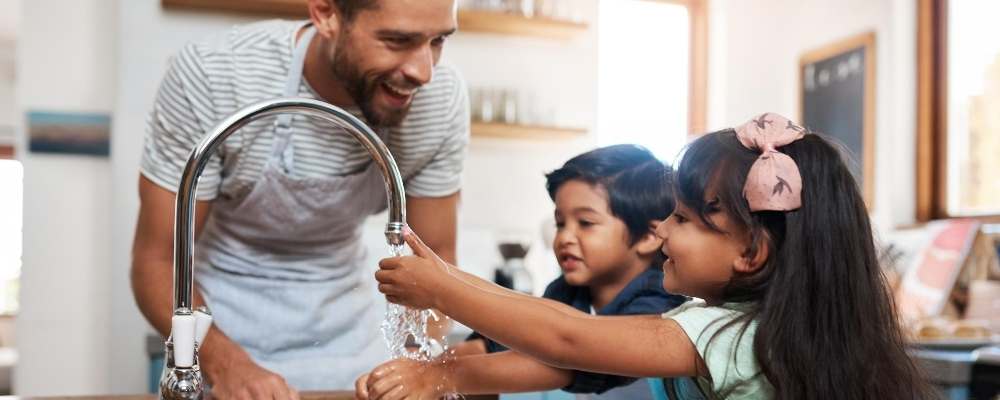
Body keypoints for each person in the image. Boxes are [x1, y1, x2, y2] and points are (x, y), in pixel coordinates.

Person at [369, 113, 933, 399]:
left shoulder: (719, 334)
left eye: (684, 219)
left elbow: (569, 343)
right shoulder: (754, 327)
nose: (663, 231)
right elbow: (561, 323)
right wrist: (445, 275)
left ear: (751, 252)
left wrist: (442, 302)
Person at [130, 0, 468, 397]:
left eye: (438, 41)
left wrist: (411, 364)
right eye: (396, 40)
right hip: (221, 331)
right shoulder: (214, 73)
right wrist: (225, 365)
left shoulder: (437, 100)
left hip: (351, 344)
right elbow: (156, 262)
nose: (423, 72)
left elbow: (438, 261)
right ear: (326, 14)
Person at [356, 144, 688, 399]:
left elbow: (566, 355)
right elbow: (501, 340)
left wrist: (434, 376)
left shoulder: (660, 301)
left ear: (648, 236)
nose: (564, 237)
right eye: (560, 222)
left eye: (585, 223)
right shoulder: (569, 292)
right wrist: (409, 373)